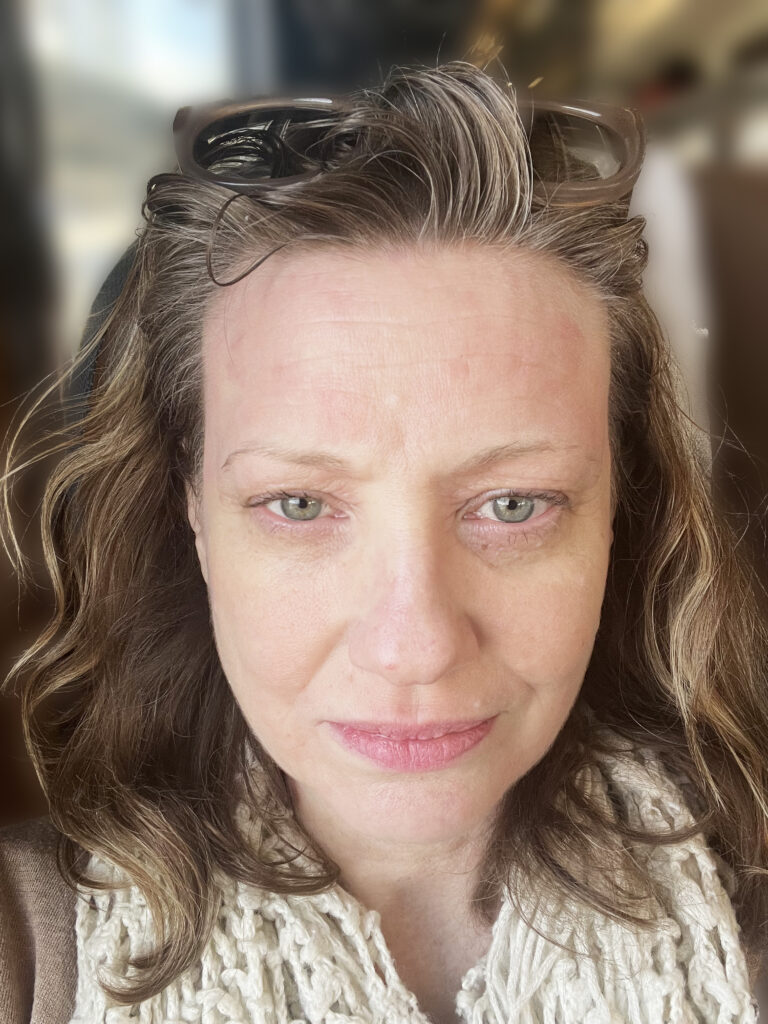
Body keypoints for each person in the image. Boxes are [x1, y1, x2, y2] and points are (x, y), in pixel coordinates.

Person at [1, 60, 767, 1024]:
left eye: (514, 504)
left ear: (621, 510)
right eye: (298, 504)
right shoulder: (27, 953)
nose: (415, 647)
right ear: (190, 512)